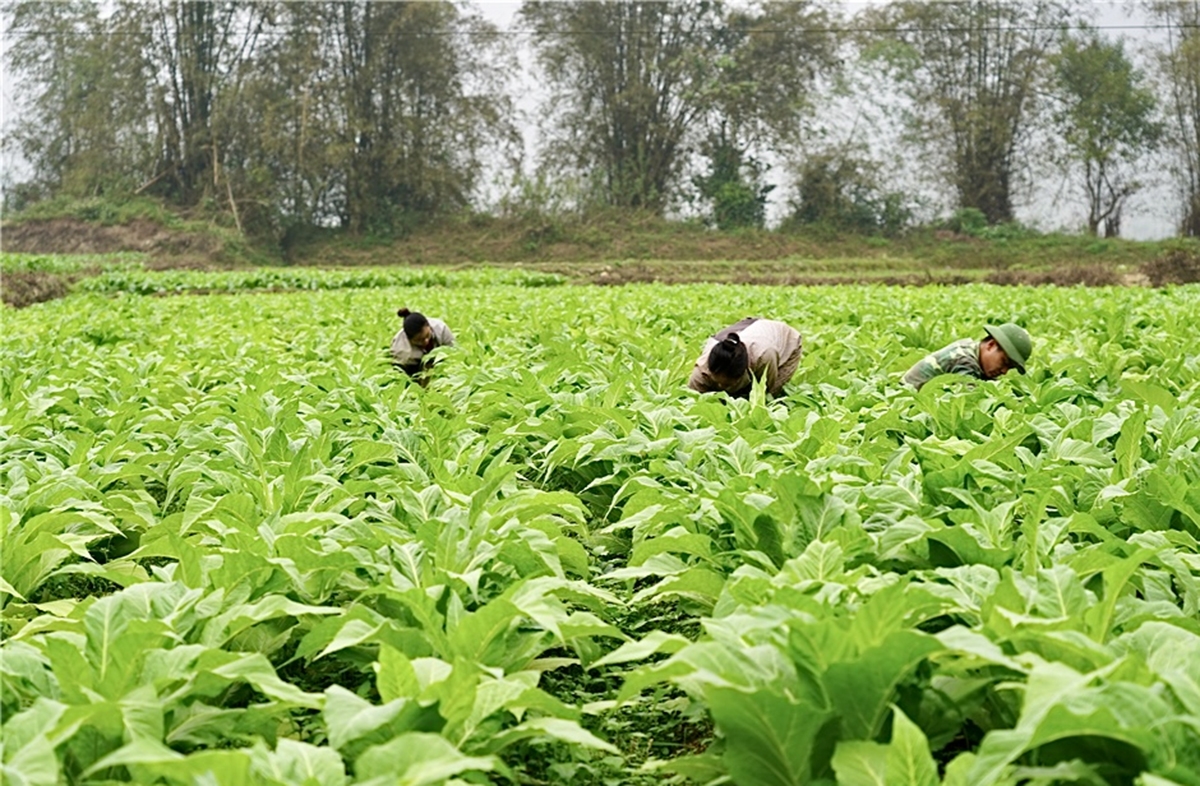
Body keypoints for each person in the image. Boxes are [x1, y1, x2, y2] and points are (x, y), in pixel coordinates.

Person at [688, 317, 803, 398]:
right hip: (749, 329)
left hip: (786, 341)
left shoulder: (764, 357)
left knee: (767, 397)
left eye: (727, 384)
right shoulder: (701, 371)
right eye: (717, 382)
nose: (722, 387)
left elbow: (762, 393)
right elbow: (693, 401)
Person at [902, 322, 1031, 391]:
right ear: (991, 345)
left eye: (1009, 368)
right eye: (1004, 362)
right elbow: (970, 397)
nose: (1004, 371)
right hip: (906, 397)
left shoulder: (975, 354)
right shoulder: (964, 359)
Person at [391, 308, 455, 378]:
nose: (426, 341)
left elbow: (453, 354)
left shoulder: (442, 329)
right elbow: (402, 374)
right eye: (419, 340)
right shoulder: (401, 350)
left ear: (429, 326)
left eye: (427, 335)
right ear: (410, 340)